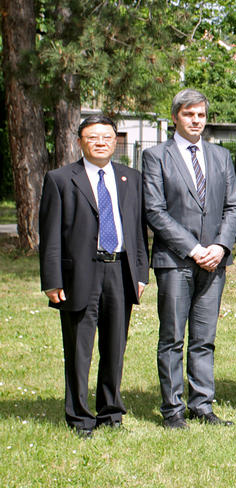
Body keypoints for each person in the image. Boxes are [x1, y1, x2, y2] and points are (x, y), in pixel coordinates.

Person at [39, 114, 149, 438]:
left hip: (120, 269)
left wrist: (141, 273)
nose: (100, 142)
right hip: (79, 275)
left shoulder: (131, 178)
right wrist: (52, 279)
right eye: (93, 137)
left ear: (115, 141)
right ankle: (79, 418)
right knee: (79, 349)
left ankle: (110, 412)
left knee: (115, 347)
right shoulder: (60, 179)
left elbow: (138, 229)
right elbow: (50, 234)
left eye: (107, 137)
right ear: (80, 142)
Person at [141, 89, 236, 429]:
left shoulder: (219, 156)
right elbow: (154, 211)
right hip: (175, 262)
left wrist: (220, 246)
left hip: (214, 262)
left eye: (200, 114)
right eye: (189, 114)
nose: (196, 120)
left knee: (204, 337)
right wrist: (193, 248)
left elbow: (233, 206)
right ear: (175, 117)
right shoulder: (156, 156)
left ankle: (202, 404)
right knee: (172, 337)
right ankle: (172, 409)